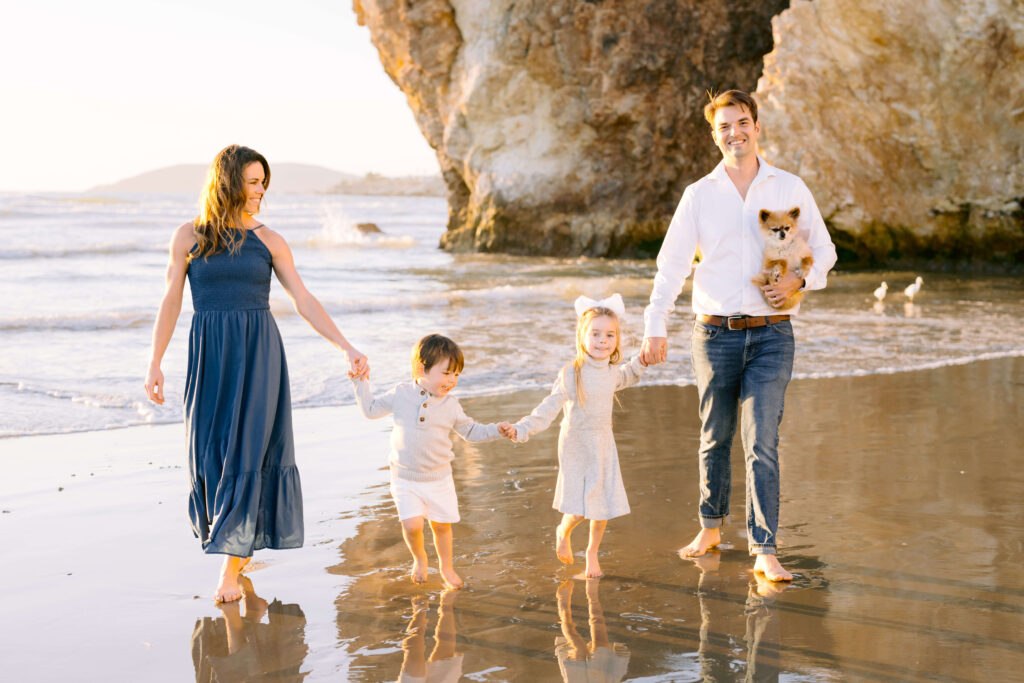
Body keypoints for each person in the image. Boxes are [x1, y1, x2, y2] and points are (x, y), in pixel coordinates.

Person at [144, 144, 368, 603]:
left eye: (264, 180)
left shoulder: (269, 240)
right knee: (208, 455)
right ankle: (238, 543)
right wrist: (155, 361)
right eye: (253, 180)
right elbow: (171, 301)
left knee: (246, 452)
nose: (261, 189)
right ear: (227, 181)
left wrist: (346, 345)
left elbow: (303, 300)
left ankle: (229, 571)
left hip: (258, 354)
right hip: (209, 355)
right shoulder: (188, 236)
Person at [640, 90, 837, 581]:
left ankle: (764, 548)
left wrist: (799, 279)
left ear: (757, 125)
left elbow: (827, 251)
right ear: (714, 135)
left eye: (742, 122)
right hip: (713, 335)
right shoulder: (698, 195)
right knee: (714, 436)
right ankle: (710, 527)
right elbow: (672, 267)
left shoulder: (788, 186)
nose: (735, 132)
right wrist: (654, 325)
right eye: (724, 126)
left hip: (773, 336)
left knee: (762, 440)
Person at [501, 294, 646, 578]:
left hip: (603, 444)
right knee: (579, 510)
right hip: (576, 446)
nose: (602, 341)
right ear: (582, 336)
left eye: (609, 335)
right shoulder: (571, 374)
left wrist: (645, 357)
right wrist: (520, 429)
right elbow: (548, 408)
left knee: (601, 505)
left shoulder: (611, 372)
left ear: (616, 339)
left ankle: (592, 552)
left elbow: (629, 374)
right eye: (595, 334)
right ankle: (563, 530)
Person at [351, 333, 508, 589]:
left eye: (456, 374)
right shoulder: (401, 393)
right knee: (412, 525)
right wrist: (360, 383)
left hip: (439, 479)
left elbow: (471, 432)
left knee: (442, 527)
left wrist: (496, 430)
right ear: (420, 369)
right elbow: (370, 410)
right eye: (447, 373)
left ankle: (446, 566)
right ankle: (420, 559)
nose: (452, 380)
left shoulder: (451, 406)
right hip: (404, 478)